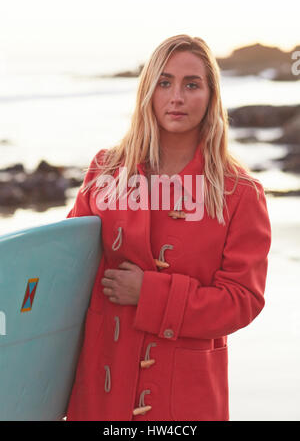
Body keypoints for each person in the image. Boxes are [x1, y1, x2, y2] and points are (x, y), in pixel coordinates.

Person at [65, 35, 271, 421]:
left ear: (211, 96)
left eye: (192, 84)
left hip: (186, 397)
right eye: (164, 82)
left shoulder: (239, 193)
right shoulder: (105, 173)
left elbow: (243, 300)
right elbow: (66, 270)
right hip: (100, 390)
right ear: (148, 92)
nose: (177, 96)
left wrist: (150, 294)